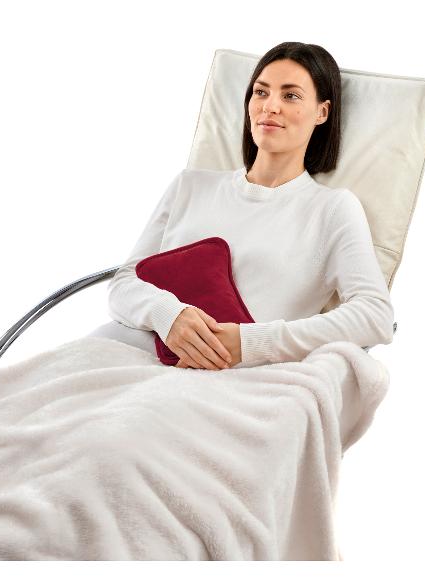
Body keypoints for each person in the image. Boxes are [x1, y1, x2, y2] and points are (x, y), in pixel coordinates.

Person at [104, 42, 395, 370]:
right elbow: (123, 285)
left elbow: (375, 316)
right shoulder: (190, 186)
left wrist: (249, 342)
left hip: (225, 381)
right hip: (121, 351)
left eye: (291, 95)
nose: (270, 106)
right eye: (261, 92)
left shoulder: (332, 209)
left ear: (322, 112)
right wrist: (169, 315)